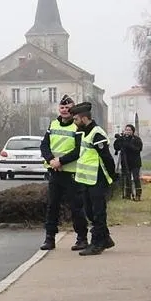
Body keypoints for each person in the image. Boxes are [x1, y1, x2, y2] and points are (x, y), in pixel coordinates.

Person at [39, 95, 89, 251]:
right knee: (52, 206)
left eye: (68, 108)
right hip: (55, 172)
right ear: (58, 109)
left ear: (73, 109)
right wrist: (52, 160)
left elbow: (78, 150)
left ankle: (81, 238)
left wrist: (61, 161)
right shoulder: (53, 124)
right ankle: (49, 238)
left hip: (71, 173)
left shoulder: (77, 127)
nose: (65, 110)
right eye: (62, 107)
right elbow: (44, 145)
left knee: (76, 207)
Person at [70, 102, 117, 256]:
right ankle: (106, 238)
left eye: (76, 119)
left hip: (97, 179)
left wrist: (112, 177)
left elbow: (107, 158)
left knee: (98, 212)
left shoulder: (96, 133)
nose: (74, 122)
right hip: (87, 180)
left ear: (84, 119)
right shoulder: (84, 132)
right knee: (90, 212)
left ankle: (97, 243)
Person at [113, 124, 144, 201]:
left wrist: (129, 145)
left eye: (129, 130)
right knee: (127, 178)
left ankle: (138, 194)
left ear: (133, 131)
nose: (127, 131)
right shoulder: (123, 139)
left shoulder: (136, 139)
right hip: (125, 161)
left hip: (135, 162)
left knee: (136, 178)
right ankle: (127, 194)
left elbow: (138, 149)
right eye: (126, 130)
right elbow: (116, 147)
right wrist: (118, 140)